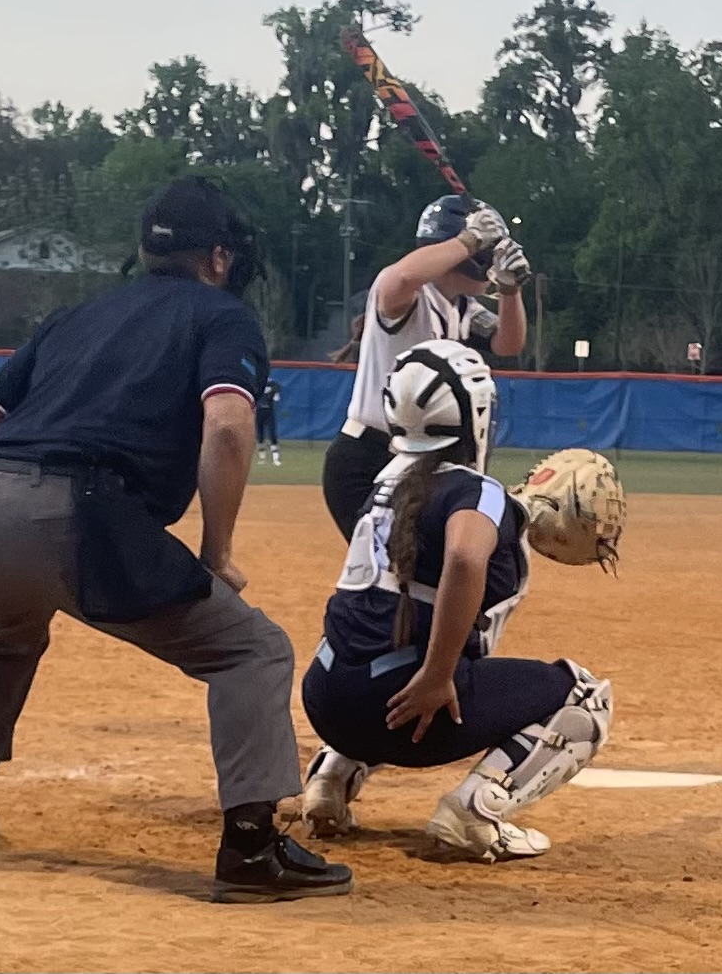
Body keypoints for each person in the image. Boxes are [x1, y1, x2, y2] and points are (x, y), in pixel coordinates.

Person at [0, 178, 352, 903]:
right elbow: (230, 425)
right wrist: (216, 550)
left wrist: (6, 504)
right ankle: (250, 848)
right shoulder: (223, 316)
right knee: (250, 649)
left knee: (3, 631)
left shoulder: (78, 313)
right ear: (218, 256)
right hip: (78, 506)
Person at [299, 340, 614, 861]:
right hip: (397, 714)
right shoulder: (478, 489)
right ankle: (474, 813)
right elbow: (466, 560)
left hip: (324, 699)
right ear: (477, 414)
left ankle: (332, 775)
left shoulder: (382, 481)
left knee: (377, 644)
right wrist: (438, 673)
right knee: (584, 698)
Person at [321, 195, 528, 540]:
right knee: (393, 579)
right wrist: (469, 240)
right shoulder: (412, 296)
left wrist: (510, 291)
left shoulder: (462, 307)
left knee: (422, 579)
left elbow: (509, 343)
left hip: (418, 461)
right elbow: (399, 278)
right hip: (368, 459)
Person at [255, 376, 282, 466]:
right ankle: (262, 458)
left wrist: (274, 394)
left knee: (272, 435)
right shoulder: (256, 383)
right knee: (260, 436)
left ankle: (276, 458)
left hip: (269, 412)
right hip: (259, 413)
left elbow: (276, 398)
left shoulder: (273, 384)